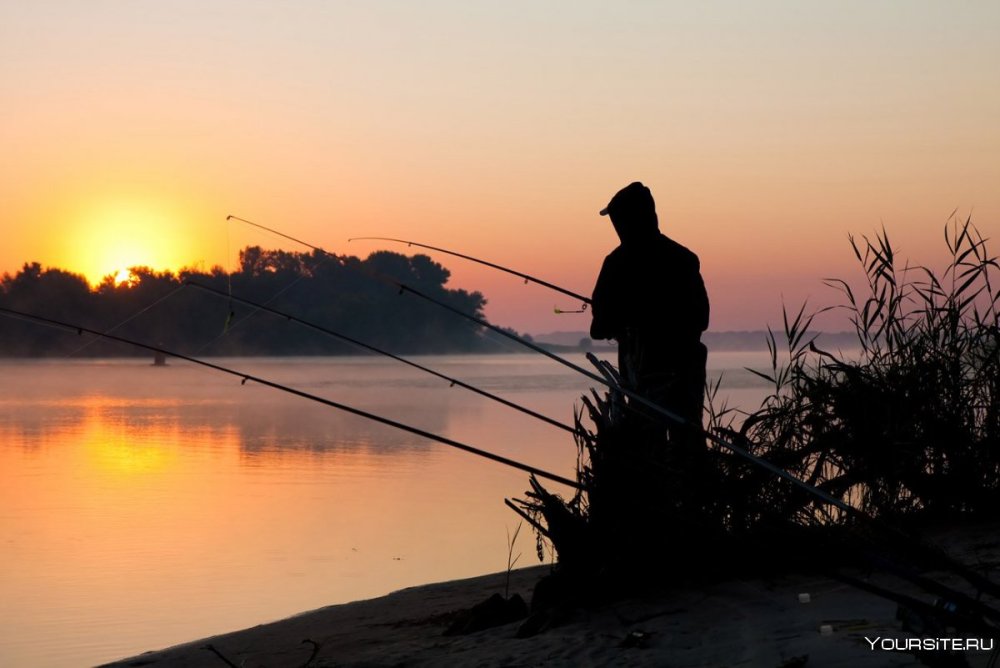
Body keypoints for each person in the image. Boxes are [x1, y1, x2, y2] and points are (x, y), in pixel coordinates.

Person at [590, 181, 709, 442]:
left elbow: (598, 329)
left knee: (647, 444)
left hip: (644, 374)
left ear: (624, 222)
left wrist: (626, 320)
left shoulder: (616, 263)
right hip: (687, 370)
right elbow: (702, 318)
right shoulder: (684, 258)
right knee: (689, 440)